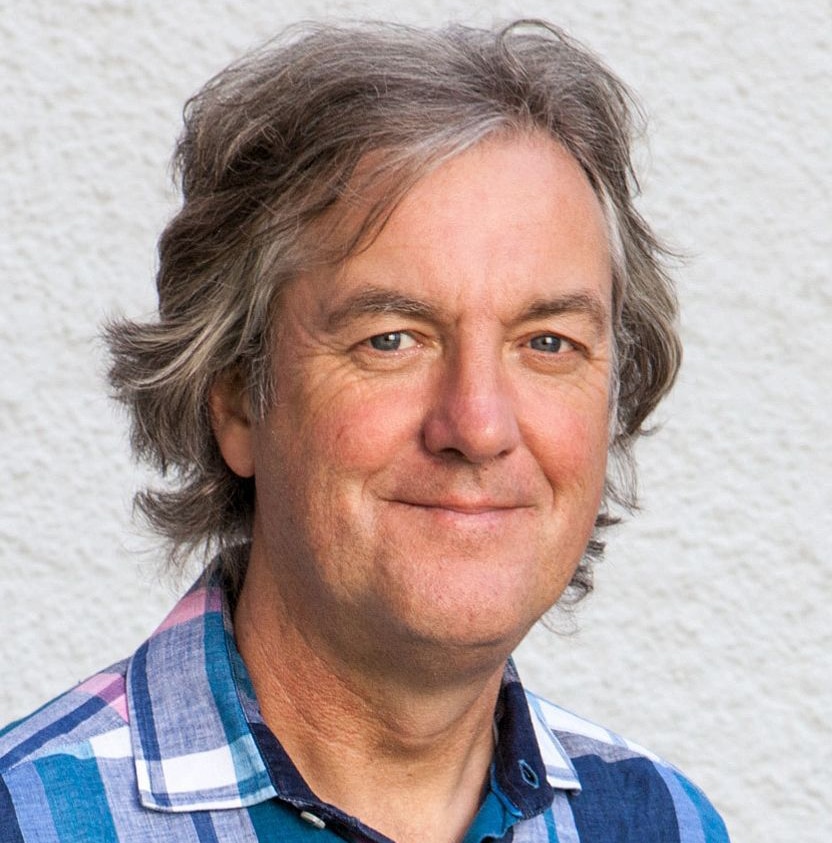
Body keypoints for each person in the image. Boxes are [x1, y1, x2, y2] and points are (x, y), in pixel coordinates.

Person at [0, 19, 730, 843]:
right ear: (235, 396)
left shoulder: (657, 823)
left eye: (548, 343)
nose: (478, 425)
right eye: (391, 339)